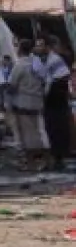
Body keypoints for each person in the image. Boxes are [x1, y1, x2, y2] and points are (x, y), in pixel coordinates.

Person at [6, 39, 49, 170]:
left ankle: (31, 163)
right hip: (37, 102)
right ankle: (44, 160)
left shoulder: (20, 65)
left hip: (23, 103)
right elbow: (45, 81)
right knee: (38, 131)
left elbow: (12, 85)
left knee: (27, 134)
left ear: (20, 49)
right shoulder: (37, 63)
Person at [33, 37, 71, 168]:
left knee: (58, 130)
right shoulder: (40, 61)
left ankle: (59, 158)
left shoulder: (55, 60)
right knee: (49, 130)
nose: (38, 48)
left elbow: (62, 79)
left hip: (57, 102)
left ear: (47, 47)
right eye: (37, 45)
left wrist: (50, 93)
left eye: (40, 45)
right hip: (48, 102)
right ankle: (53, 157)